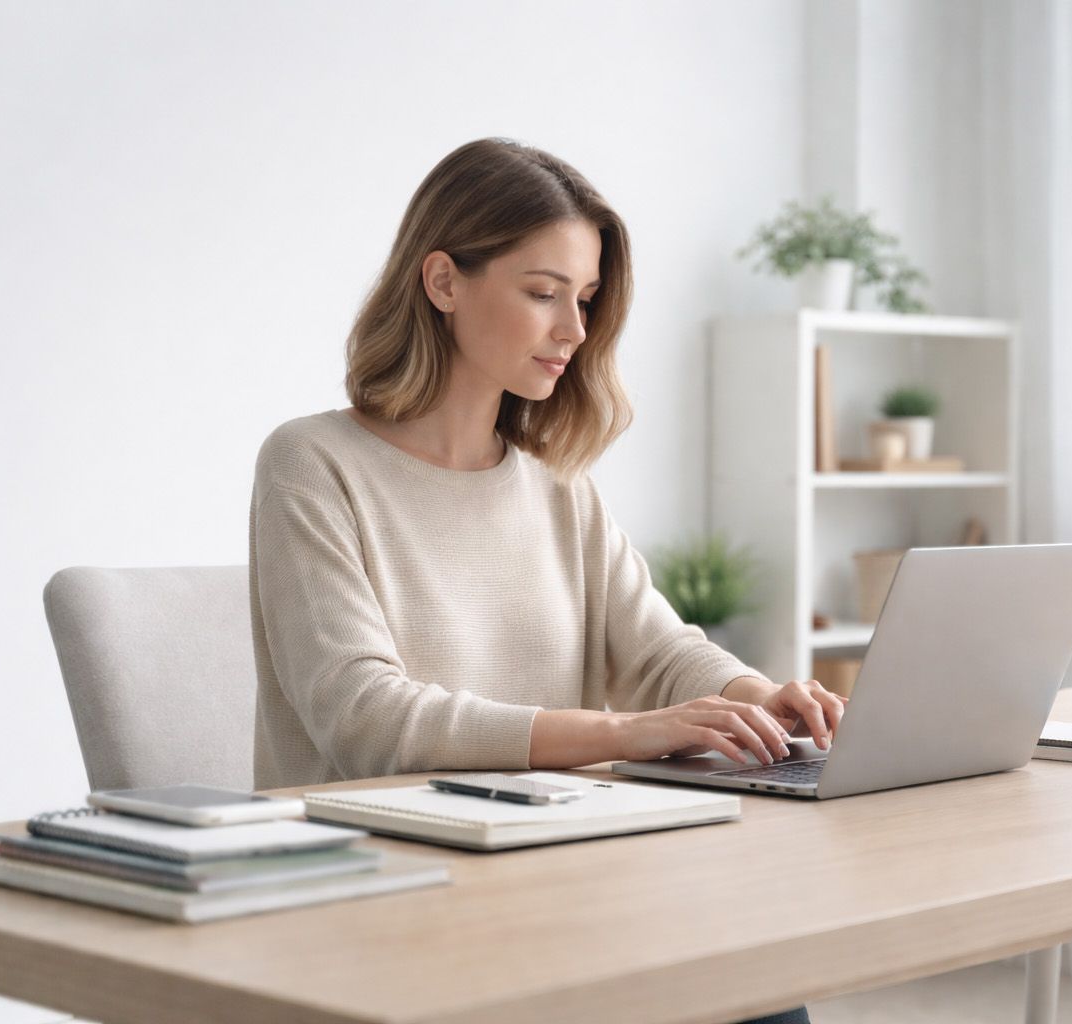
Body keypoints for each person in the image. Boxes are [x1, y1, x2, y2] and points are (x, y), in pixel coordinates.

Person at [249, 139, 835, 1024]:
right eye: (542, 293)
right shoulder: (312, 464)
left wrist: (755, 696)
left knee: (757, 981)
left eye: (587, 299)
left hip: (551, 871)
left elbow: (661, 650)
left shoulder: (556, 485)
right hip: (383, 893)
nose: (575, 329)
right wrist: (623, 732)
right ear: (443, 281)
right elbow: (366, 719)